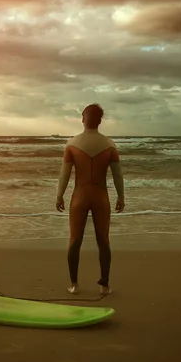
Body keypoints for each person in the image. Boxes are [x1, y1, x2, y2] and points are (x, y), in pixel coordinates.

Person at [56, 103, 125, 295]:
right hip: (101, 198)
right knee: (103, 240)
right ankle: (104, 286)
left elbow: (65, 175)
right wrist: (121, 196)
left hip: (79, 197)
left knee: (75, 239)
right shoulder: (110, 145)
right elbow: (118, 175)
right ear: (100, 121)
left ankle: (74, 285)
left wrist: (59, 195)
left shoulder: (72, 144)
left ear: (83, 119)